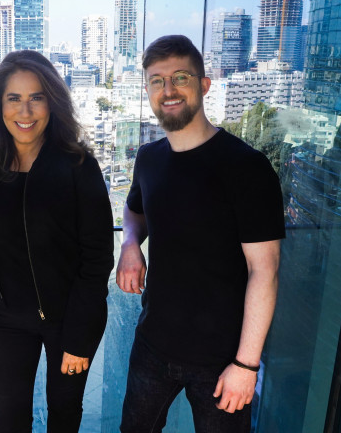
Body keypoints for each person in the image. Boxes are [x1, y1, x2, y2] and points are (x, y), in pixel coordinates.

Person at [116, 35, 285, 433]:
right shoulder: (149, 158)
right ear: (147, 90)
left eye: (181, 77)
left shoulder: (247, 167)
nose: (168, 90)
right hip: (153, 343)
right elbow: (134, 209)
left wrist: (246, 365)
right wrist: (129, 244)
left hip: (222, 360)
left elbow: (265, 271)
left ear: (204, 85)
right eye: (157, 81)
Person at [0, 50, 114, 432]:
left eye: (36, 97)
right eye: (14, 98)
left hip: (68, 318)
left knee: (64, 416)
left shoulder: (78, 165)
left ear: (52, 103)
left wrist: (79, 338)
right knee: (8, 419)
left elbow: (98, 259)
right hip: (4, 315)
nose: (25, 111)